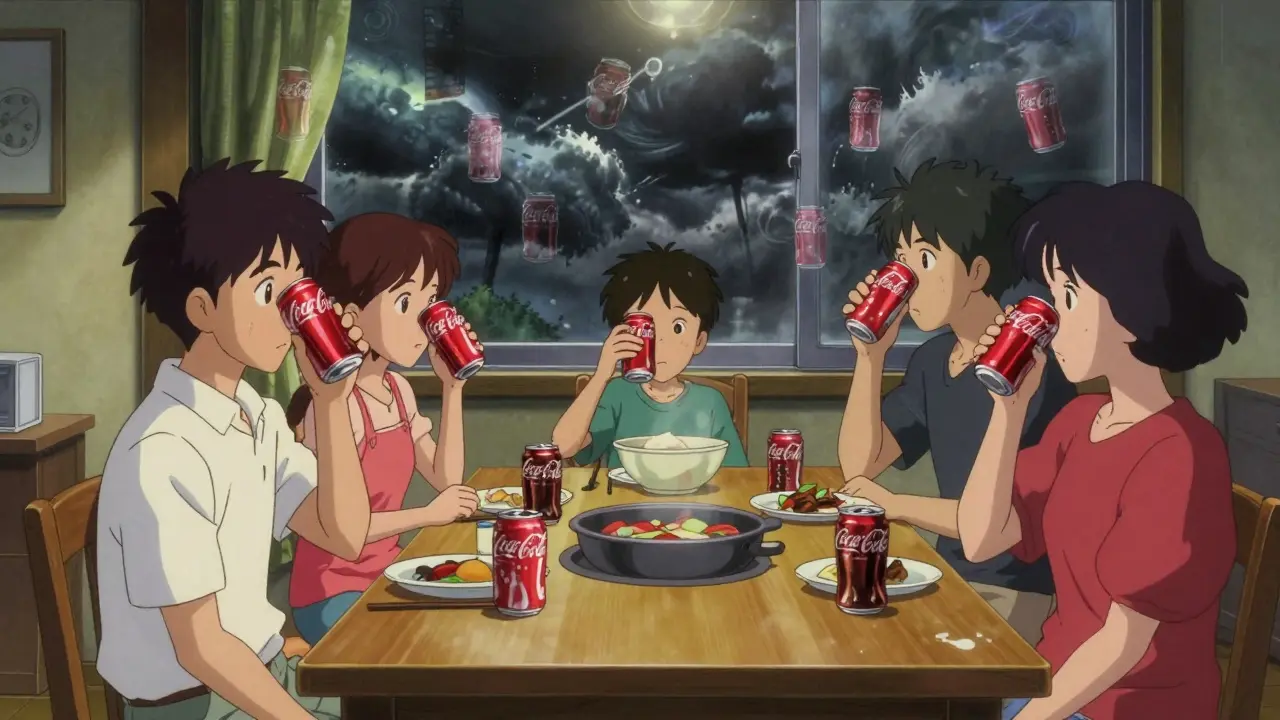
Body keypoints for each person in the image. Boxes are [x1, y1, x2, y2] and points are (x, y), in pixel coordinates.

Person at [955, 181, 1246, 720]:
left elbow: (1122, 646)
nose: (1050, 321)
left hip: (1128, 709)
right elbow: (981, 538)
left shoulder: (1181, 453)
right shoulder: (1079, 421)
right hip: (1053, 687)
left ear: (1133, 300)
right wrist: (1008, 408)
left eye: (1067, 295)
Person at [98, 159, 368, 719]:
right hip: (190, 703)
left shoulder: (255, 414)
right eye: (270, 291)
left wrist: (332, 400)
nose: (294, 318)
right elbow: (201, 647)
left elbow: (344, 534)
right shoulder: (164, 449)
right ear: (202, 308)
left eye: (300, 293)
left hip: (253, 674)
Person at [836, 159, 1076, 644]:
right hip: (954, 578)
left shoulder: (1027, 368)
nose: (905, 280)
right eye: (901, 261)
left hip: (1022, 593)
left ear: (978, 270)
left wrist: (894, 505)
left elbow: (997, 521)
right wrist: (870, 356)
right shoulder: (934, 359)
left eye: (924, 259)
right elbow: (860, 466)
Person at [285, 212, 481, 645]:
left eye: (430, 302)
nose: (424, 322)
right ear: (352, 310)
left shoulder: (398, 389)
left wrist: (452, 389)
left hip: (386, 575)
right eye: (405, 302)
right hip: (332, 592)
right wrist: (427, 516)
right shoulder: (335, 404)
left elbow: (447, 480)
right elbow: (342, 531)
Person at [553, 241, 749, 467]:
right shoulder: (617, 395)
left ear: (699, 341)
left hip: (695, 499)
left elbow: (736, 474)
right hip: (625, 499)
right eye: (646, 328)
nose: (660, 340)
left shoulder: (711, 402)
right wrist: (601, 375)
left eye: (678, 327)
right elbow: (562, 447)